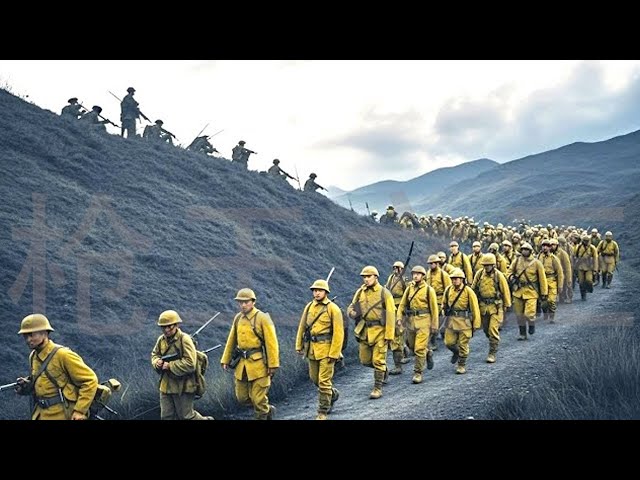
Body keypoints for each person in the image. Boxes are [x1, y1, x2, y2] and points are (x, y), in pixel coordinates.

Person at [14, 313, 98, 420]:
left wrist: (80, 411)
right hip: (40, 414)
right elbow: (44, 384)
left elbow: (90, 380)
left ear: (44, 333)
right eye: (25, 336)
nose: (28, 340)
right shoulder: (33, 356)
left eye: (31, 335)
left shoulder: (63, 355)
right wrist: (27, 386)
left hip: (62, 413)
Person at [220, 288, 279, 419]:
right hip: (242, 365)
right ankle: (267, 410)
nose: (243, 305)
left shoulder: (263, 318)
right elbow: (232, 340)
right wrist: (225, 359)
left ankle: (262, 413)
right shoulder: (238, 318)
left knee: (258, 399)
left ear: (253, 302)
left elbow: (272, 343)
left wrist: (273, 364)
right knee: (242, 398)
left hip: (259, 365)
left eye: (246, 302)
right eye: (240, 302)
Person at [151, 310, 213, 420]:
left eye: (169, 326)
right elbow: (154, 354)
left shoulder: (185, 340)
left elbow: (190, 363)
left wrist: (170, 366)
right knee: (166, 416)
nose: (166, 330)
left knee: (187, 416)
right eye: (163, 327)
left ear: (176, 325)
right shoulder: (161, 340)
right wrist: (157, 362)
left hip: (183, 385)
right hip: (166, 385)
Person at [295, 279, 344, 420]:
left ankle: (322, 411)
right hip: (311, 349)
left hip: (327, 350)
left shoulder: (333, 309)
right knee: (314, 379)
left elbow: (338, 333)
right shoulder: (309, 307)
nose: (316, 293)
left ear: (326, 292)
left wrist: (334, 353)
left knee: (323, 381)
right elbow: (302, 327)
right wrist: (299, 345)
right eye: (315, 291)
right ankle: (332, 394)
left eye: (319, 290)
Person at [348, 266, 395, 399]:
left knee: (378, 361)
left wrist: (389, 335)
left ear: (376, 277)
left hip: (380, 331)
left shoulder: (384, 293)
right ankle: (384, 370)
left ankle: (377, 388)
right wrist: (352, 312)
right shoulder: (360, 292)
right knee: (365, 361)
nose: (366, 279)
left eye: (369, 276)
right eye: (364, 277)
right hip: (364, 331)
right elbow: (352, 306)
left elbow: (391, 315)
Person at [395, 265, 439, 383]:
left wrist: (434, 325)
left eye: (418, 274)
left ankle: (418, 372)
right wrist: (399, 318)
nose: (415, 276)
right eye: (414, 273)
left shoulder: (429, 290)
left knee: (419, 349)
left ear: (423, 276)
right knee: (412, 347)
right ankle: (428, 352)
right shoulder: (409, 288)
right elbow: (402, 304)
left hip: (424, 321)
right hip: (411, 322)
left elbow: (434, 309)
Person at [471, 254, 511, 363]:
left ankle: (492, 353)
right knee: (486, 330)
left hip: (496, 307)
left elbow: (505, 291)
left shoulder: (499, 276)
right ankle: (493, 341)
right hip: (483, 307)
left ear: (493, 265)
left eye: (489, 265)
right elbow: (473, 289)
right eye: (485, 265)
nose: (487, 267)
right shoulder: (479, 274)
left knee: (493, 330)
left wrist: (506, 305)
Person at [441, 268, 481, 374]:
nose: (454, 281)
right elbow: (444, 303)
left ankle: (461, 364)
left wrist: (476, 324)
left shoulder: (468, 291)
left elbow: (475, 308)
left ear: (462, 279)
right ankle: (456, 352)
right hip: (451, 321)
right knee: (448, 342)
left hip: (465, 322)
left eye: (456, 279)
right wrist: (443, 313)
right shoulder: (448, 290)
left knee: (463, 344)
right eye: (453, 279)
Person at [508, 242, 548, 340]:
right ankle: (522, 334)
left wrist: (544, 293)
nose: (524, 251)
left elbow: (542, 279)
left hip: (531, 291)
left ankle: (531, 324)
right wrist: (511, 277)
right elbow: (509, 271)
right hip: (518, 291)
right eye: (523, 249)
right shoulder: (516, 261)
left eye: (527, 249)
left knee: (529, 313)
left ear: (530, 251)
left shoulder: (536, 263)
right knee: (519, 314)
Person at [385, 261, 410, 375]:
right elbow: (386, 289)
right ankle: (404, 349)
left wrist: (406, 308)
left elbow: (408, 294)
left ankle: (399, 363)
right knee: (396, 333)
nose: (396, 270)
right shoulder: (391, 278)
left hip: (401, 307)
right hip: (391, 307)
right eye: (394, 268)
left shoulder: (404, 280)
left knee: (399, 332)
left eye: (398, 268)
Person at [537, 239, 564, 323]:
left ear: (549, 248)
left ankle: (552, 316)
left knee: (551, 300)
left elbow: (559, 272)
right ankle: (545, 312)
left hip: (551, 281)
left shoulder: (554, 258)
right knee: (543, 302)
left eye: (547, 246)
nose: (545, 248)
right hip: (541, 281)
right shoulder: (538, 257)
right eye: (543, 246)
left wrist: (560, 285)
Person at [574, 234, 599, 301]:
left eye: (587, 241)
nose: (586, 242)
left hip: (589, 267)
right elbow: (575, 256)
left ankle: (590, 288)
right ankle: (583, 295)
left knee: (589, 280)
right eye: (584, 240)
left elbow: (595, 259)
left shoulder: (592, 248)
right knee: (581, 282)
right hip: (580, 267)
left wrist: (595, 269)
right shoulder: (579, 247)